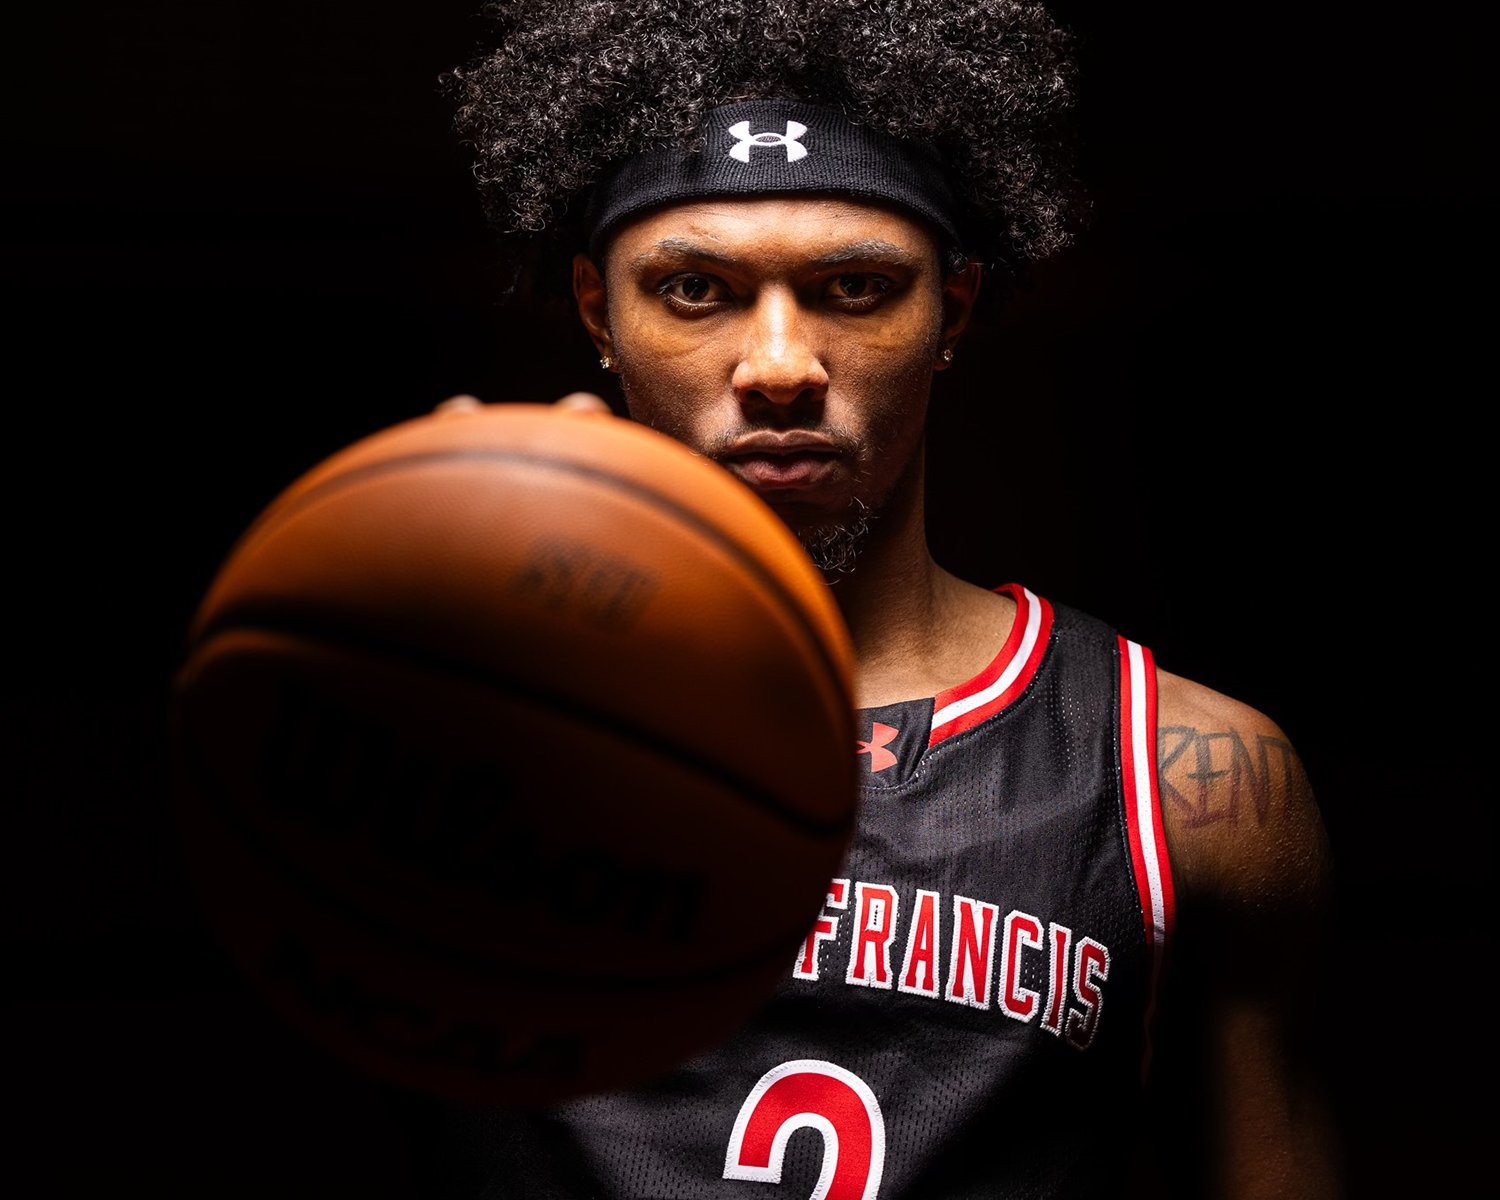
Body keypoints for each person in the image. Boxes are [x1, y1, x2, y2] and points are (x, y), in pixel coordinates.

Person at [430, 1, 1340, 1195]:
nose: (779, 365)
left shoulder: (1185, 779)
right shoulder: (439, 728)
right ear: (602, 311)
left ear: (949, 310)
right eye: (695, 288)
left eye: (855, 286)